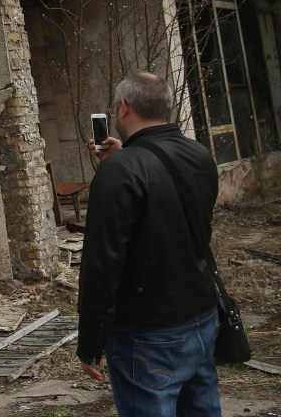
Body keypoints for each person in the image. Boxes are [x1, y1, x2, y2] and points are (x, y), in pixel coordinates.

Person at [77, 71, 221, 416]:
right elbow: (172, 217)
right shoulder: (199, 155)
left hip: (148, 330)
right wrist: (125, 156)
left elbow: (102, 263)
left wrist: (90, 343)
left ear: (124, 107)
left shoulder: (120, 172)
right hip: (202, 315)